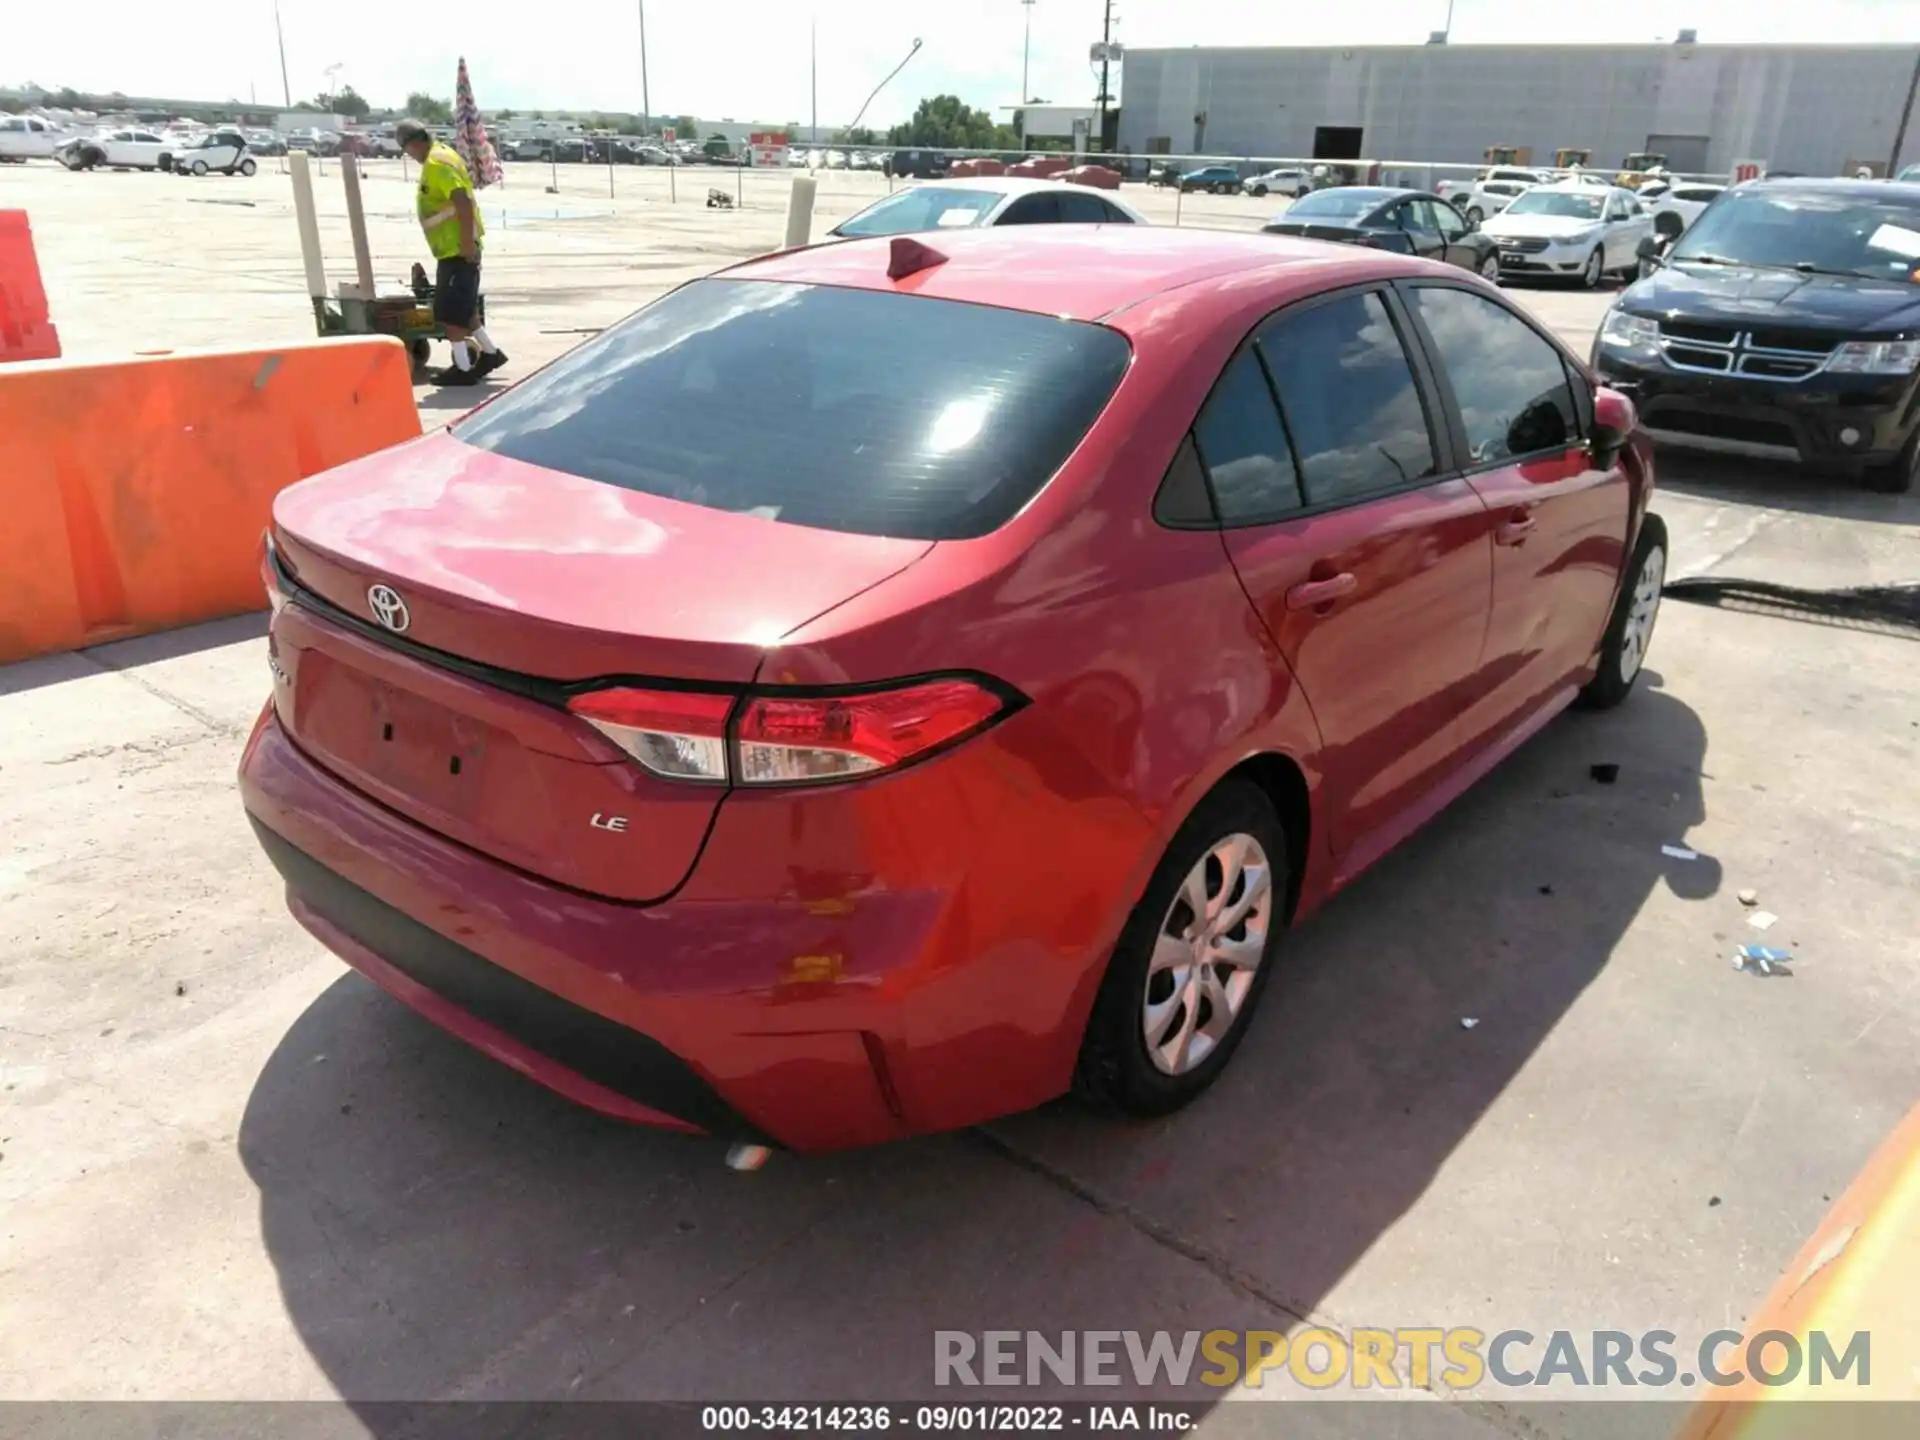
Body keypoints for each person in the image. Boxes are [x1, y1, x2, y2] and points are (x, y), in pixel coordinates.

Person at [396, 118, 507, 386]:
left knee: (448, 314)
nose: (410, 156)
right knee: (465, 310)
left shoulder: (435, 164)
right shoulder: (445, 154)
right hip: (455, 249)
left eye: (408, 150)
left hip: (458, 250)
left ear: (415, 143)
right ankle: (491, 353)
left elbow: (462, 200)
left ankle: (464, 369)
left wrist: (467, 243)